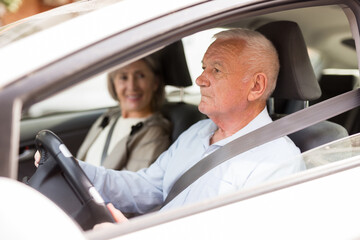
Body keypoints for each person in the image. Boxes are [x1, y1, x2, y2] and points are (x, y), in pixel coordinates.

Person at [35, 28, 305, 223]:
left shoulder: (277, 161)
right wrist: (76, 169)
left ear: (256, 86)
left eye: (216, 70)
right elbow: (147, 188)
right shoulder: (198, 132)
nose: (200, 79)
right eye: (203, 67)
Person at [76, 56, 171, 171]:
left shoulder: (154, 133)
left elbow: (132, 186)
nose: (132, 86)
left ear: (155, 82)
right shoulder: (108, 117)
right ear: (113, 83)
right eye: (123, 77)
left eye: (140, 76)